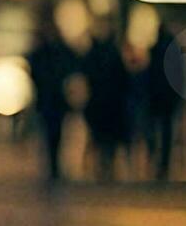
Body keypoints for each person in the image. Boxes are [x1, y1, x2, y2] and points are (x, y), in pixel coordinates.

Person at [27, 21, 76, 182]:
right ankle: (53, 165)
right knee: (51, 134)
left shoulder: (53, 52)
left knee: (55, 134)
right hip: (49, 100)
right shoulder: (47, 52)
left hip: (53, 99)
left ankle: (54, 165)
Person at [82, 23, 130, 182]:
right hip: (110, 106)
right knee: (108, 141)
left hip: (101, 105)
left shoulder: (93, 55)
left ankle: (103, 168)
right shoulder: (112, 54)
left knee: (101, 139)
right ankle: (106, 167)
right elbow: (124, 80)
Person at [146, 26, 183, 181]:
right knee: (166, 133)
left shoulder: (154, 50)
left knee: (153, 130)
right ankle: (163, 164)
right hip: (167, 99)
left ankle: (155, 159)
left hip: (156, 98)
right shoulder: (174, 50)